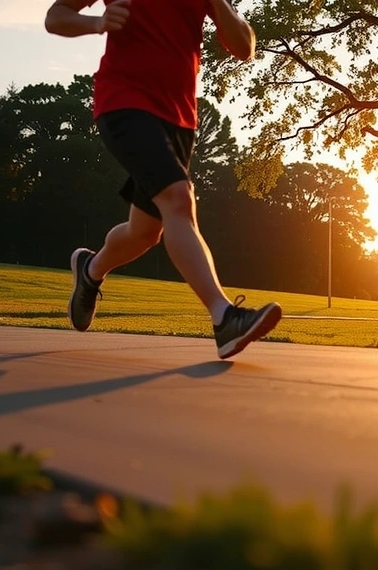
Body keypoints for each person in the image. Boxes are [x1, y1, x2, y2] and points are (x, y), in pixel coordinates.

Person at [45, 0, 281, 359]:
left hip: (179, 120)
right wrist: (99, 23)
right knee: (178, 199)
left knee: (145, 232)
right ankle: (224, 317)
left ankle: (90, 269)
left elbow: (244, 46)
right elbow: (56, 16)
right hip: (123, 102)